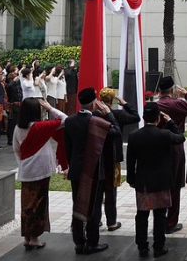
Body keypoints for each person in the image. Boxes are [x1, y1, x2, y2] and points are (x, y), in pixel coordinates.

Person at [64, 88, 121, 255]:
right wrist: (109, 114)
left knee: (78, 206)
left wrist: (72, 165)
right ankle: (92, 242)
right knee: (94, 208)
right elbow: (116, 132)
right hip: (95, 170)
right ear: (94, 104)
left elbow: (68, 148)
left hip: (77, 170)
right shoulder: (97, 121)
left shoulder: (70, 121)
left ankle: (79, 242)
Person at [127, 102, 185, 258]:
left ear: (144, 118)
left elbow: (131, 161)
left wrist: (131, 179)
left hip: (143, 182)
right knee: (160, 215)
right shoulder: (164, 135)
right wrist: (171, 122)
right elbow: (180, 138)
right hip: (161, 181)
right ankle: (159, 246)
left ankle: (142, 247)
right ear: (158, 118)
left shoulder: (134, 136)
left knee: (142, 215)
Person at [13, 97, 68, 250]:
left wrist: (23, 164)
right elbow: (65, 119)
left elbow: (16, 150)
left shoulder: (18, 128)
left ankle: (26, 237)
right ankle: (35, 238)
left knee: (26, 205)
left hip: (26, 170)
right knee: (38, 204)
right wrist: (50, 108)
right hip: (41, 171)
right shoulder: (41, 126)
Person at [156, 75, 187, 233]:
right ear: (172, 90)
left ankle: (159, 219)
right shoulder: (177, 103)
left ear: (159, 90)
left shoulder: (155, 105)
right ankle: (171, 223)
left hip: (157, 145)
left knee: (159, 184)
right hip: (174, 146)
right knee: (174, 185)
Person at [98, 87, 141, 232]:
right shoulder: (117, 114)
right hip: (114, 157)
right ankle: (111, 222)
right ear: (112, 100)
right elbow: (136, 117)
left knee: (97, 190)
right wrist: (124, 103)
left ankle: (96, 220)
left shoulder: (95, 114)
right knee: (111, 190)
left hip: (97, 156)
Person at [5, 71, 24, 146]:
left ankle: (16, 137)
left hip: (19, 105)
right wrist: (13, 81)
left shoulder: (18, 85)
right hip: (13, 105)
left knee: (17, 122)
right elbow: (8, 86)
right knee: (12, 123)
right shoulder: (10, 85)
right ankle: (10, 139)